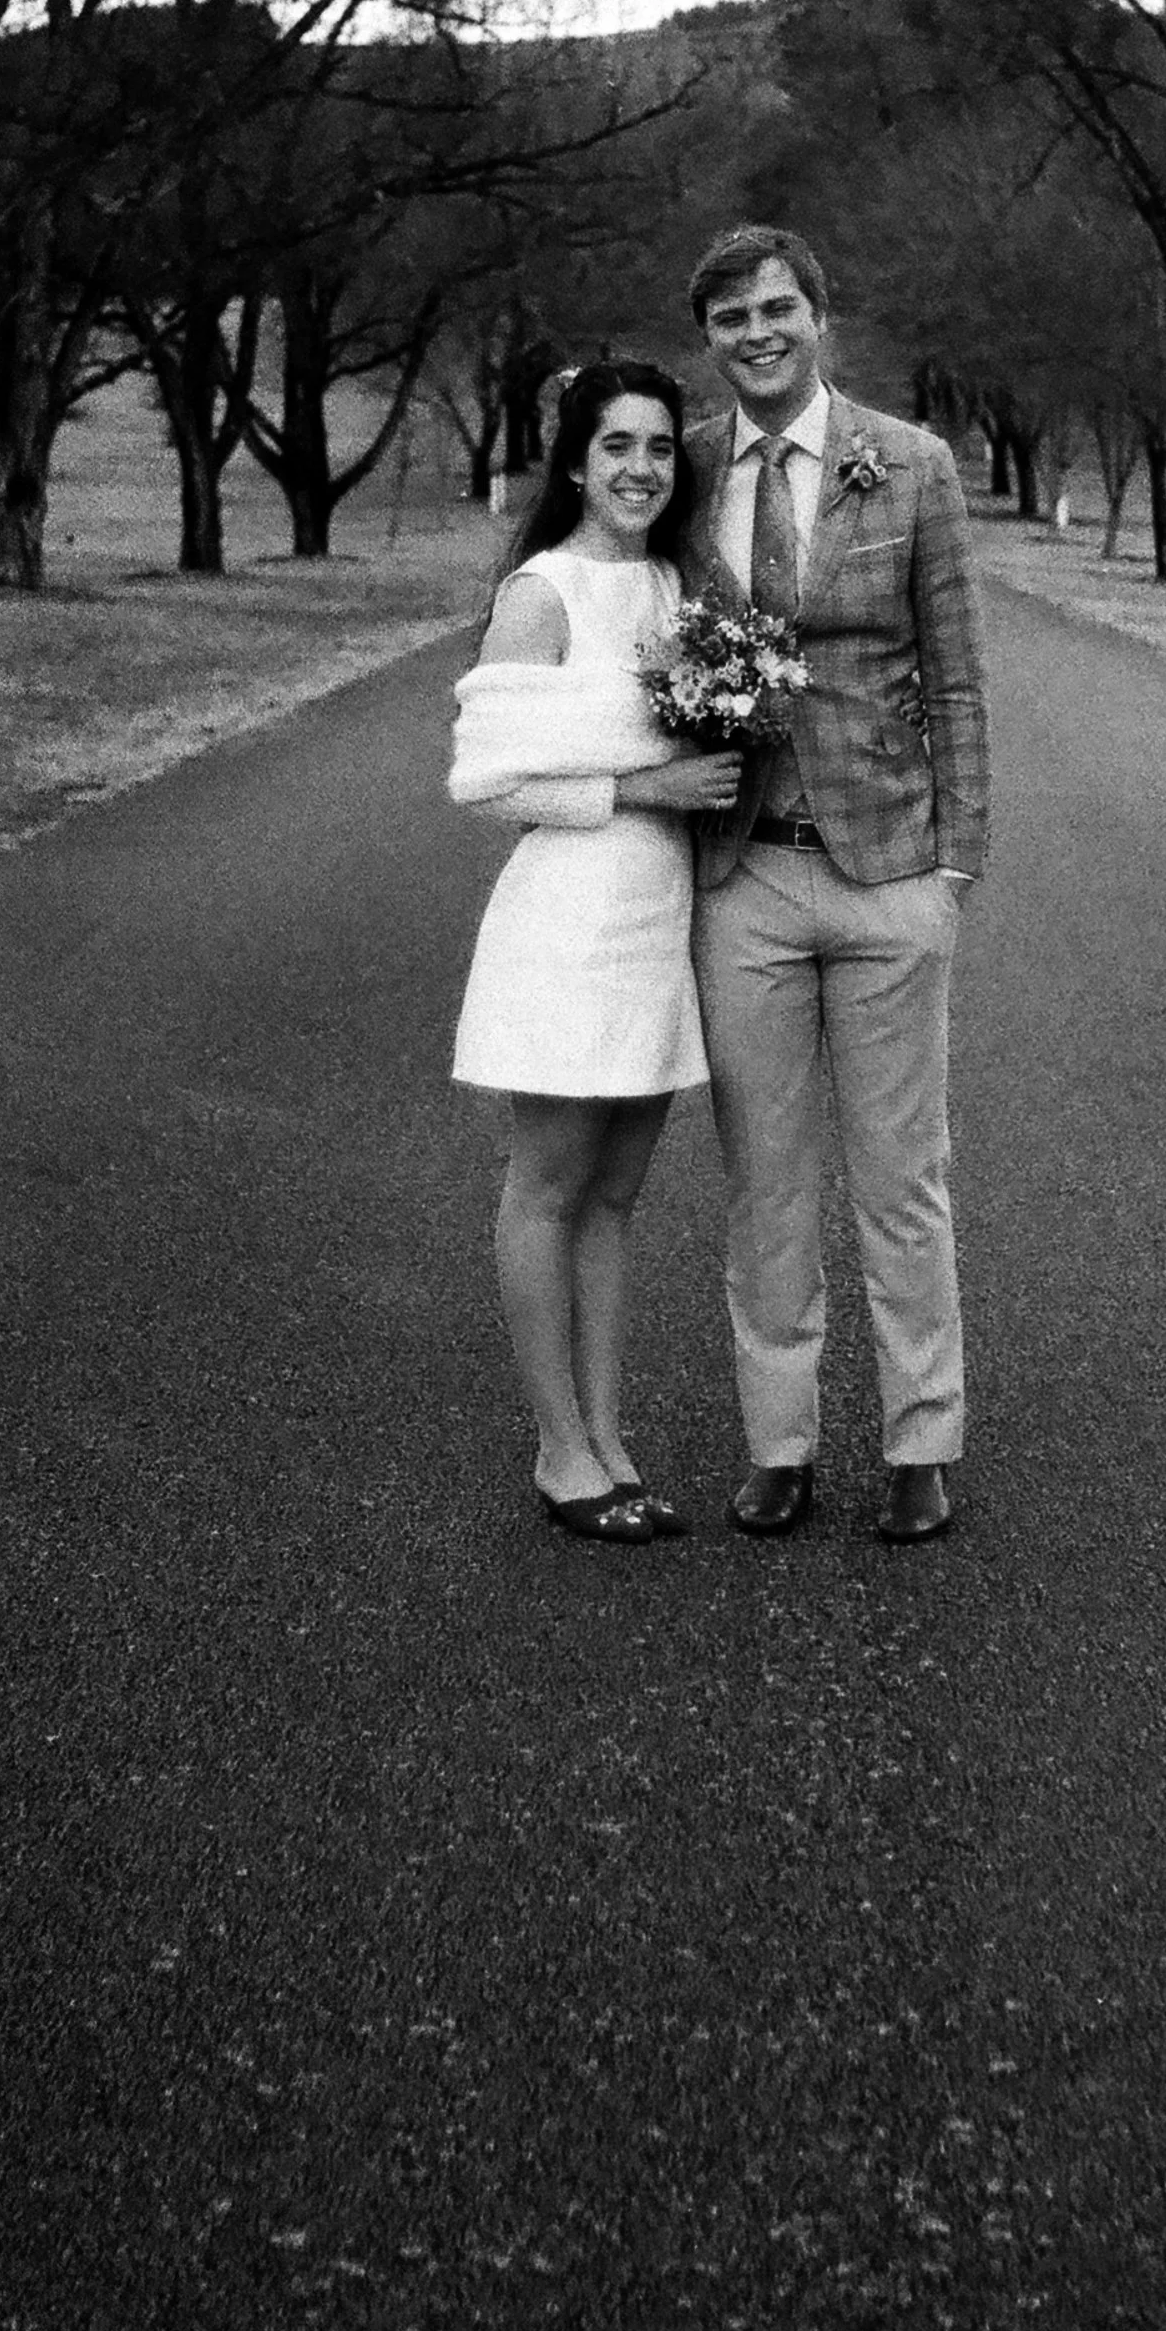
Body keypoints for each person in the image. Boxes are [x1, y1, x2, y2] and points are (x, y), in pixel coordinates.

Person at [683, 227, 990, 1544]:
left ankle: (922, 1435)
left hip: (888, 871)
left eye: (776, 307)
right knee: (765, 1176)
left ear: (820, 314)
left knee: (901, 1175)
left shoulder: (910, 461)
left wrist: (957, 857)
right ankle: (779, 1439)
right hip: (745, 875)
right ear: (709, 336)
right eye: (730, 316)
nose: (756, 331)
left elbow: (960, 672)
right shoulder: (686, 467)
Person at [449, 361, 742, 1544]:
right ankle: (558, 1450)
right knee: (550, 1188)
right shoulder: (542, 592)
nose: (639, 468)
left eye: (660, 448)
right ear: (575, 459)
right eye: (616, 445)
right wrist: (646, 783)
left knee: (615, 1201)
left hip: (655, 925)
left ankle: (610, 1437)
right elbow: (487, 782)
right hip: (566, 925)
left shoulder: (680, 587)